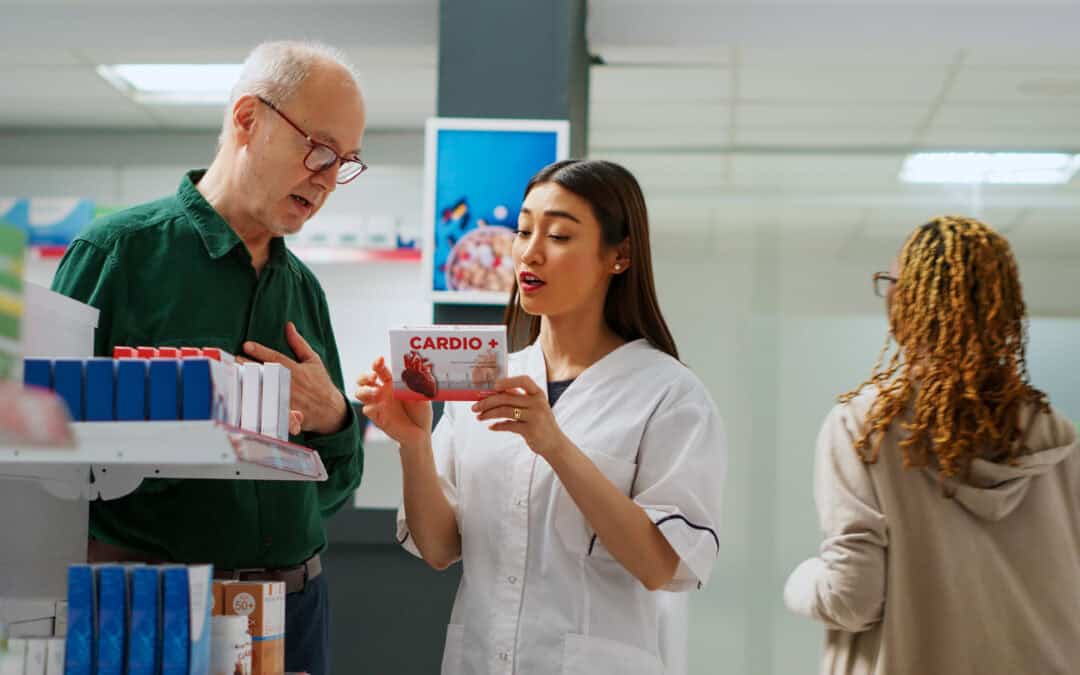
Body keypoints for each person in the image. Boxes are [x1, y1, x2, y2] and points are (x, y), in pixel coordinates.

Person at [51, 41, 368, 675]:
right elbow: (39, 458)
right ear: (248, 119)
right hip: (152, 605)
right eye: (321, 149)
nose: (329, 177)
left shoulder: (303, 291)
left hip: (295, 605)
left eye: (347, 163)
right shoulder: (119, 254)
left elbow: (335, 489)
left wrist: (336, 417)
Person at [357, 159, 727, 674]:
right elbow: (439, 549)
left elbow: (659, 564)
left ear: (618, 256)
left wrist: (554, 444)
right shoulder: (487, 380)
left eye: (558, 235)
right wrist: (412, 444)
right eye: (524, 230)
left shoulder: (668, 395)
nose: (529, 252)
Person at [784, 216, 1080, 675]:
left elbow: (853, 597)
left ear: (908, 299)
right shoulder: (1061, 439)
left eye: (891, 283)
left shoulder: (865, 427)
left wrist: (800, 583)